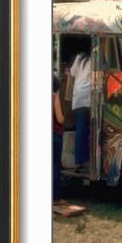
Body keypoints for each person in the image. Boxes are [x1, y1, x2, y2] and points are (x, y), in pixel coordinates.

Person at [70, 50, 91, 171]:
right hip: (87, 96)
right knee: (85, 129)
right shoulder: (94, 59)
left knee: (80, 129)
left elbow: (72, 73)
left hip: (78, 95)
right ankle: (82, 160)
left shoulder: (79, 57)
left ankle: (79, 161)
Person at [53, 75, 65, 204]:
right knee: (55, 167)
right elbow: (60, 118)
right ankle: (55, 198)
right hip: (54, 136)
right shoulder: (54, 97)